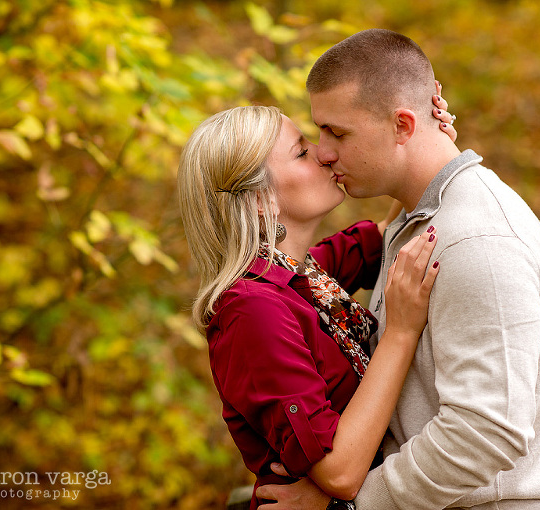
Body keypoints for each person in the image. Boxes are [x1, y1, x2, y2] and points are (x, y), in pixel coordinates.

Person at [255, 29, 540, 509]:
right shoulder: (419, 221)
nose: (324, 151)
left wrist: (353, 503)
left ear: (404, 126)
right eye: (319, 132)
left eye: (338, 133)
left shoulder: (479, 241)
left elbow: (485, 432)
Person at [177, 93, 457, 510]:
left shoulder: (303, 276)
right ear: (260, 200)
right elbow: (339, 472)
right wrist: (400, 332)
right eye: (303, 152)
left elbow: (386, 232)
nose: (325, 156)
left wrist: (422, 145)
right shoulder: (252, 310)